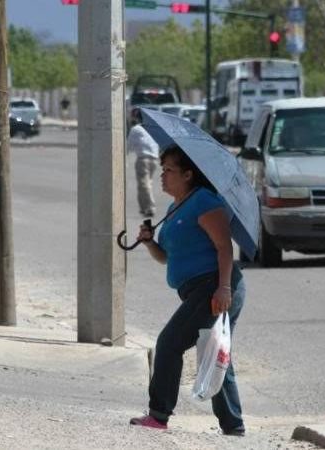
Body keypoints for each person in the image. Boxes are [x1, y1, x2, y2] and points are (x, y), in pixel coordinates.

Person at [130, 145, 246, 436]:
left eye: (169, 170)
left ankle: (158, 414)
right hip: (199, 289)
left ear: (188, 174)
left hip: (213, 286)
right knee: (215, 350)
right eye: (163, 169)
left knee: (169, 343)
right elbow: (166, 257)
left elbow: (224, 248)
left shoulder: (205, 202)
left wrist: (223, 288)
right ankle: (233, 426)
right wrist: (149, 243)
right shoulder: (174, 209)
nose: (162, 176)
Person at [127, 123, 159, 218]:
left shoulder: (136, 129)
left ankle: (150, 207)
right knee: (146, 184)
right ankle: (143, 207)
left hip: (143, 159)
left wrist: (125, 154)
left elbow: (129, 144)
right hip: (154, 158)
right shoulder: (152, 127)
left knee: (144, 184)